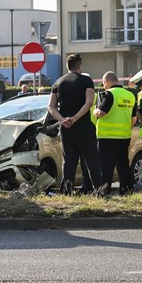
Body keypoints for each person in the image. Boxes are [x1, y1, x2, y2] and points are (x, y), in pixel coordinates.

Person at [48, 53, 102, 194]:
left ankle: (67, 191)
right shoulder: (86, 81)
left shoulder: (58, 83)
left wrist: (62, 120)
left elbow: (51, 106)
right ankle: (99, 191)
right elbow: (89, 102)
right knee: (91, 161)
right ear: (80, 66)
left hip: (66, 128)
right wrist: (75, 118)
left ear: (67, 66)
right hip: (83, 127)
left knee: (69, 162)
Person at [93, 71, 137, 195]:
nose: (103, 86)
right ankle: (127, 192)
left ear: (106, 82)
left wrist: (95, 111)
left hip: (107, 137)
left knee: (105, 168)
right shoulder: (130, 96)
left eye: (103, 83)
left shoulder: (109, 94)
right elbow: (134, 119)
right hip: (124, 136)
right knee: (123, 166)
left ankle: (103, 193)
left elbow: (101, 113)